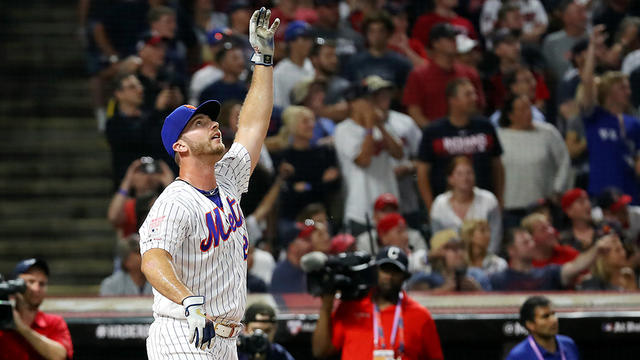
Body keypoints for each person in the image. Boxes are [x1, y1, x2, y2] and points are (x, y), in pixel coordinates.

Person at [139, 8, 279, 358]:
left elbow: (251, 127)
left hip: (225, 340)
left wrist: (262, 59)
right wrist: (189, 301)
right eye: (200, 122)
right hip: (182, 333)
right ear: (180, 146)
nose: (214, 125)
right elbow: (153, 259)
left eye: (212, 120)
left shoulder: (227, 179)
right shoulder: (174, 201)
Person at [312, 246, 444, 360]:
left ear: (405, 277)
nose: (389, 276)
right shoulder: (352, 306)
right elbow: (320, 351)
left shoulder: (420, 316)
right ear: (374, 271)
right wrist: (326, 307)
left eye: (395, 271)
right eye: (384, 269)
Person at [416, 78, 504, 211]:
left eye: (474, 94)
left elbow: (497, 166)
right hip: (446, 207)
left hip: (483, 204)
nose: (474, 98)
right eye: (468, 94)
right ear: (452, 100)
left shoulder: (485, 127)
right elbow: (422, 173)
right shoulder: (433, 131)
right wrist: (430, 207)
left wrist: (500, 199)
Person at [579, 25, 640, 204]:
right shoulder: (594, 116)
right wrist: (592, 48)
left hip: (631, 194)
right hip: (602, 193)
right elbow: (587, 82)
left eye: (628, 88)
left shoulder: (634, 123)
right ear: (607, 91)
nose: (628, 92)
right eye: (622, 87)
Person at [334, 79, 403, 235]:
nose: (371, 104)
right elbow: (363, 160)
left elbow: (399, 154)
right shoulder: (344, 130)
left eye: (371, 99)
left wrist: (381, 127)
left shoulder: (382, 126)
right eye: (365, 100)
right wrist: (370, 126)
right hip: (361, 208)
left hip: (389, 203)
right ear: (353, 104)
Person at [496, 94, 571, 228]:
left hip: (543, 206)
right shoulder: (500, 136)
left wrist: (558, 189)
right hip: (511, 207)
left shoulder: (548, 132)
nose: (528, 113)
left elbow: (564, 161)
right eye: (522, 110)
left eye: (529, 108)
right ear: (510, 115)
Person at [403, 23, 485, 128]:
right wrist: (436, 133)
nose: (454, 42)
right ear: (435, 43)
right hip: (433, 137)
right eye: (449, 38)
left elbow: (479, 107)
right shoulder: (419, 75)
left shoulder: (469, 73)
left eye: (454, 38)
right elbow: (414, 111)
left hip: (466, 136)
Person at [490, 227, 616, 291]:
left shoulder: (549, 273)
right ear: (511, 250)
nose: (532, 245)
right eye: (525, 243)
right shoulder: (497, 280)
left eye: (531, 241)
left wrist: (596, 249)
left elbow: (576, 266)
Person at [0, 258, 74, 360]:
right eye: (30, 282)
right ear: (14, 284)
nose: (36, 289)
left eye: (42, 284)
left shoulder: (54, 323)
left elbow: (60, 356)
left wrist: (21, 327)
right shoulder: (2, 321)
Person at [429, 156, 502, 254]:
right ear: (450, 179)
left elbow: (495, 236)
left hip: (484, 258)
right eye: (460, 174)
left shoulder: (489, 200)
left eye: (469, 173)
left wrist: (484, 260)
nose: (465, 178)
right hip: (451, 261)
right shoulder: (439, 204)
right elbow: (437, 241)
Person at [107, 157, 175, 239]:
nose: (148, 177)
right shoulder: (129, 204)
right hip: (133, 249)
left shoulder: (164, 204)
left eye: (153, 173)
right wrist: (127, 180)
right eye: (143, 172)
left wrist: (170, 185)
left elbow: (177, 215)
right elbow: (114, 217)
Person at [342, 11, 412, 90]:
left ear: (389, 33)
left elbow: (405, 94)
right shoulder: (355, 62)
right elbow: (348, 90)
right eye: (372, 31)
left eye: (381, 31)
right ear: (366, 34)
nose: (376, 36)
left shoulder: (401, 63)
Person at [408, 230, 491, 292]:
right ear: (439, 253)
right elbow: (415, 303)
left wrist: (477, 290)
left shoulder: (477, 275)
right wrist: (442, 291)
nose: (459, 252)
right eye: (453, 248)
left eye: (461, 247)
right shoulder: (428, 278)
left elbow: (492, 305)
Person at [506, 296, 580, 360]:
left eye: (553, 314)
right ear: (530, 324)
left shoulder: (569, 344)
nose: (553, 320)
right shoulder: (518, 356)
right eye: (545, 316)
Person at [355, 193, 427, 256]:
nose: (389, 214)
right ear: (374, 215)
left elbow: (424, 260)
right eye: (384, 211)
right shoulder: (364, 241)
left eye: (392, 210)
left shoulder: (414, 236)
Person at [542, 0, 589, 82]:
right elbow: (547, 73)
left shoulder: (593, 39)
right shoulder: (551, 42)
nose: (585, 16)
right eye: (579, 12)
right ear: (566, 17)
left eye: (585, 11)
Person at [274, 21, 314, 108]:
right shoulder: (279, 72)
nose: (309, 44)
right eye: (304, 39)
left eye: (310, 40)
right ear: (291, 42)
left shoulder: (311, 65)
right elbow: (276, 105)